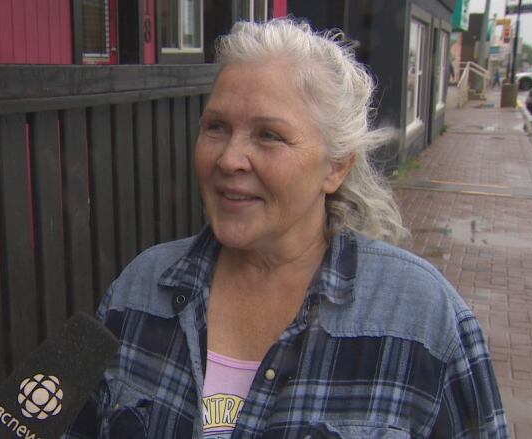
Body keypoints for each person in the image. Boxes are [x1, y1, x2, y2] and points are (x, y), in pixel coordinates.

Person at [64, 19, 507, 438]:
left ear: (336, 167)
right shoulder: (140, 290)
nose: (229, 159)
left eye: (269, 135)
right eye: (216, 127)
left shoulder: (423, 321)